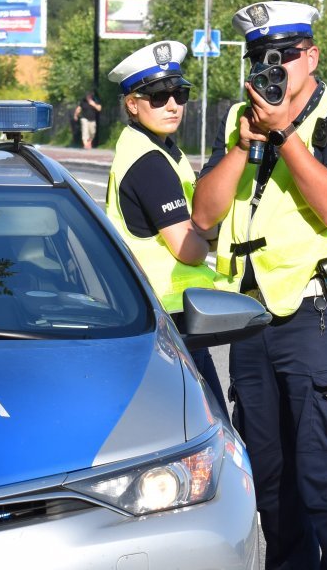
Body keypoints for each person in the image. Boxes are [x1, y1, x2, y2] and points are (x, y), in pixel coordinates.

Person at [192, 0, 327, 570]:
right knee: (271, 487)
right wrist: (243, 145)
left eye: (284, 57)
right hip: (251, 319)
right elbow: (204, 216)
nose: (272, 69)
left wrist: (286, 137)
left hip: (319, 317)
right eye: (259, 58)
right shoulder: (238, 120)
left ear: (312, 57)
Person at [105, 41, 228, 419]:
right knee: (205, 428)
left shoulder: (152, 148)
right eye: (158, 96)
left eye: (179, 93)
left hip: (157, 316)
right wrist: (211, 233)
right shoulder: (149, 162)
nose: (173, 104)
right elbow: (187, 249)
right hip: (169, 321)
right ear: (133, 103)